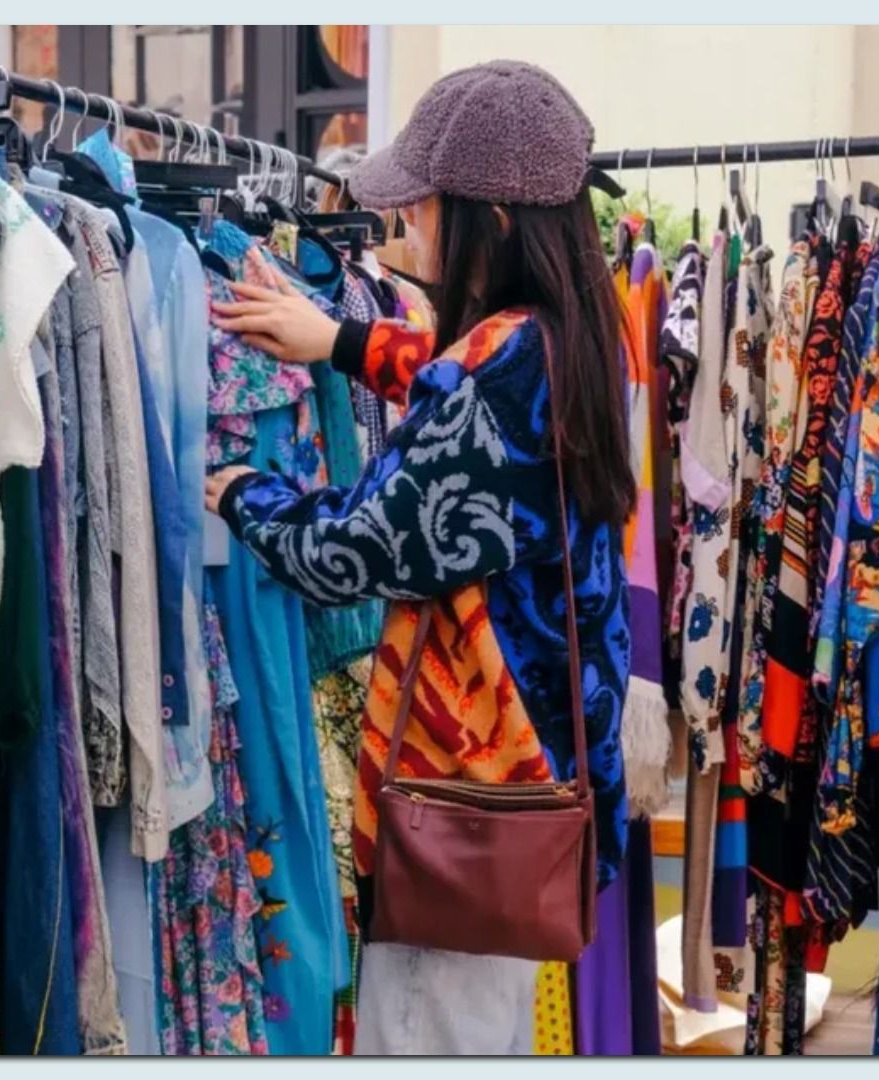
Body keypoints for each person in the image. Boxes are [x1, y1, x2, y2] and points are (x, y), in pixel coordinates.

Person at [205, 60, 632, 1055]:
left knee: (432, 1036)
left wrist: (239, 490)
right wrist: (343, 340)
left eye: (427, 207)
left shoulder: (497, 372)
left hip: (471, 789)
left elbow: (349, 553)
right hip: (532, 767)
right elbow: (460, 393)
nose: (411, 229)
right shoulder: (570, 337)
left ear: (488, 217)